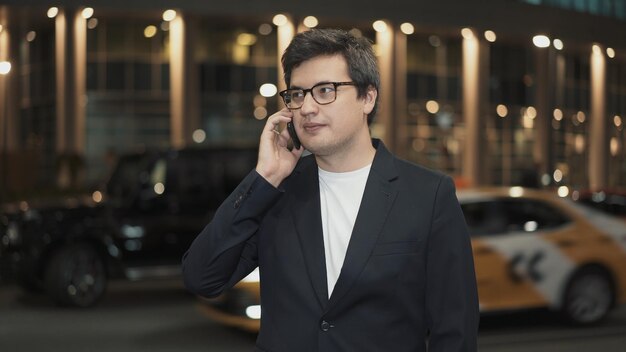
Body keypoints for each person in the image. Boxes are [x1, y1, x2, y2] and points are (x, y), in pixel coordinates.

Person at [182, 28, 479, 352]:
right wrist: (264, 176)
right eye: (297, 94)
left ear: (368, 97)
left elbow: (454, 331)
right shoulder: (276, 190)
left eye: (325, 90)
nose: (307, 107)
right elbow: (202, 278)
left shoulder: (429, 195)